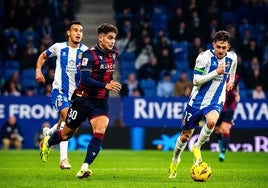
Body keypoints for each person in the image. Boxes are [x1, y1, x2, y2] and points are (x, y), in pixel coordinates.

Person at [40, 23, 121, 178]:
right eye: (109, 38)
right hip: (82, 100)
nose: (112, 42)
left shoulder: (114, 53)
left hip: (100, 101)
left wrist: (106, 86)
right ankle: (48, 142)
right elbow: (86, 79)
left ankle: (84, 167)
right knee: (66, 134)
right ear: (101, 38)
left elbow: (107, 71)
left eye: (114, 39)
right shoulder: (89, 55)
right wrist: (106, 84)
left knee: (100, 130)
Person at [168, 30, 237, 179]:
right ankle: (175, 161)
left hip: (215, 100)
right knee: (185, 136)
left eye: (224, 48)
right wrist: (216, 72)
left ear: (228, 47)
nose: (220, 50)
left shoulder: (232, 57)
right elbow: (196, 81)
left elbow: (233, 68)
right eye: (218, 47)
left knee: (212, 121)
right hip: (196, 102)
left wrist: (231, 81)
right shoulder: (203, 58)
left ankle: (197, 146)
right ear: (214, 44)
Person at [35, 21, 88, 170]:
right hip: (60, 92)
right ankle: (63, 159)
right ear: (68, 33)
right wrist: (38, 70)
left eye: (81, 31)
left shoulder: (86, 51)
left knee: (69, 128)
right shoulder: (59, 47)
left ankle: (48, 134)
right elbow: (43, 56)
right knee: (68, 121)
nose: (78, 33)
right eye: (75, 30)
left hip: (77, 96)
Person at [214, 74, 240, 162]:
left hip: (229, 106)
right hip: (218, 105)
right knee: (216, 130)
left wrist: (236, 96)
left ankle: (223, 153)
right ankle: (221, 141)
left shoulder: (235, 76)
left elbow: (236, 87)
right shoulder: (218, 71)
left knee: (225, 129)